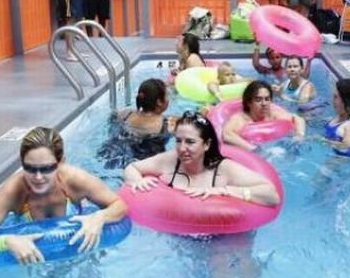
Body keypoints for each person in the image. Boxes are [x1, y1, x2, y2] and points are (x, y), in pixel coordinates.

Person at [0, 127, 127, 264]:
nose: (38, 177)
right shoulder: (14, 191)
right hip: (36, 261)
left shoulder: (75, 180)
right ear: (22, 163)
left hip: (77, 254)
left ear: (61, 162)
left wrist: (100, 217)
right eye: (30, 168)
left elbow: (119, 205)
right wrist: (7, 241)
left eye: (46, 168)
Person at [123, 111, 280, 206]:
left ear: (206, 144)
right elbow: (132, 168)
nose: (182, 148)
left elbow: (271, 194)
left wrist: (225, 191)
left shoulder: (224, 169)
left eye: (190, 142)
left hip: (223, 234)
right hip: (178, 230)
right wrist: (137, 181)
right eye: (178, 141)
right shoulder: (170, 160)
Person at [98, 79, 175, 168]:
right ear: (159, 102)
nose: (169, 99)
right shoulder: (169, 122)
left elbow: (112, 118)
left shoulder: (125, 114)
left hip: (109, 154)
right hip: (143, 165)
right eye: (167, 96)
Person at [222, 80, 306, 151]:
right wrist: (254, 149)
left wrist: (299, 135)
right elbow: (227, 134)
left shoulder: (273, 114)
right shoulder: (241, 118)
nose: (264, 103)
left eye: (267, 99)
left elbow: (298, 118)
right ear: (249, 102)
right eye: (258, 99)